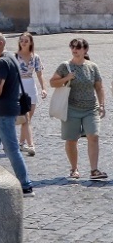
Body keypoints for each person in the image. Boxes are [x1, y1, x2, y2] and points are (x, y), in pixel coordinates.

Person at [0, 32, 34, 196]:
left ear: (0, 43)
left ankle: (25, 185)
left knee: (11, 149)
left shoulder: (2, 62)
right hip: (2, 111)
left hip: (4, 111)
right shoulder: (11, 57)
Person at [49, 37, 107, 181]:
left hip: (90, 108)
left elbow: (99, 87)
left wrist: (102, 105)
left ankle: (94, 170)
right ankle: (74, 169)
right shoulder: (65, 66)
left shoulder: (93, 67)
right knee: (71, 140)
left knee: (93, 136)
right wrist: (66, 78)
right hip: (71, 109)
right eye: (73, 47)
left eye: (78, 47)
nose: (74, 50)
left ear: (85, 50)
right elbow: (52, 82)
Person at [15, 32, 48, 156]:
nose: (23, 42)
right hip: (18, 86)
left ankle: (21, 143)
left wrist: (43, 89)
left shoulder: (36, 57)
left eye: (26, 41)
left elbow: (40, 74)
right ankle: (31, 145)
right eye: (21, 40)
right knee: (25, 117)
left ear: (30, 43)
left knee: (28, 118)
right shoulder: (14, 56)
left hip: (31, 86)